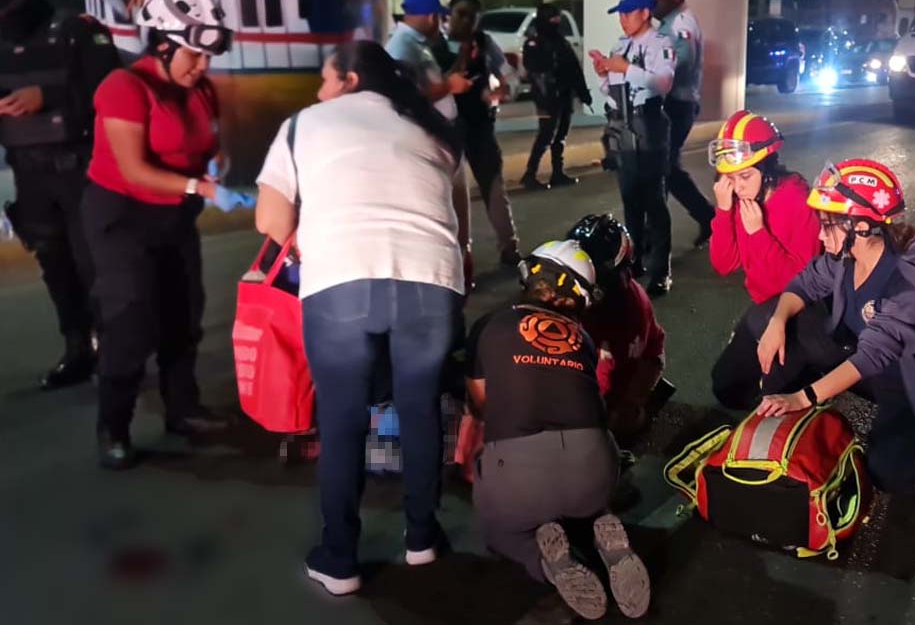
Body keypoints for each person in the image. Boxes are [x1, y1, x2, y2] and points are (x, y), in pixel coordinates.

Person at [255, 40, 466, 595]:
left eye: (326, 80)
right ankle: (421, 539)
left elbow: (270, 217)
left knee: (344, 419)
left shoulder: (305, 124)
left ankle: (340, 560)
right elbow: (458, 224)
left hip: (341, 282)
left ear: (348, 79)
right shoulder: (434, 128)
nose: (320, 92)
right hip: (430, 279)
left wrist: (316, 241)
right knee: (420, 410)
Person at [84, 0, 246, 470]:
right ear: (162, 44)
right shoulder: (124, 88)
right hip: (122, 217)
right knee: (132, 321)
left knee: (184, 313)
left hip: (174, 216)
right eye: (193, 56)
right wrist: (203, 188)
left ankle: (183, 410)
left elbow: (212, 144)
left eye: (206, 57)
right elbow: (133, 169)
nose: (202, 67)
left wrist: (217, 164)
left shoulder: (201, 89)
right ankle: (113, 426)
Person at [754, 159, 915, 493]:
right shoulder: (845, 257)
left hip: (905, 383)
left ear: (860, 227)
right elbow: (803, 285)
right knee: (773, 320)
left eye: (828, 224)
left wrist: (802, 397)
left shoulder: (907, 281)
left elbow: (873, 355)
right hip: (859, 359)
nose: (819, 233)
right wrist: (777, 322)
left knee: (888, 472)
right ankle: (785, 417)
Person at [467, 240, 651, 620]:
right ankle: (602, 526)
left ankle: (547, 563)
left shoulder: (489, 325)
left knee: (500, 532)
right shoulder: (581, 338)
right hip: (593, 466)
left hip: (519, 474)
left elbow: (482, 406)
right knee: (585, 492)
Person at [0, 0, 121, 389]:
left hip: (80, 169)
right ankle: (77, 349)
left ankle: (115, 351)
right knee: (55, 265)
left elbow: (111, 92)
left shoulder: (77, 31)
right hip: (29, 173)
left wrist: (47, 95)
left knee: (94, 263)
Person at [706, 111, 822, 409]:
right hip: (763, 307)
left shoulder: (795, 198)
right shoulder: (738, 199)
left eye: (745, 176)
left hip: (800, 310)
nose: (738, 186)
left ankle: (815, 373)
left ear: (768, 170)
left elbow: (802, 282)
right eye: (729, 178)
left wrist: (758, 233)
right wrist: (722, 211)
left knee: (775, 399)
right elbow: (724, 263)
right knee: (725, 387)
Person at [590, 0, 677, 297]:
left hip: (649, 125)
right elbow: (611, 91)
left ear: (644, 13)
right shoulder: (621, 45)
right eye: (621, 14)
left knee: (654, 201)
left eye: (628, 13)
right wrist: (603, 71)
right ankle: (634, 258)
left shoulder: (660, 43)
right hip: (622, 125)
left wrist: (625, 68)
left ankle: (660, 270)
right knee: (630, 198)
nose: (623, 20)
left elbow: (662, 82)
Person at [385, 0, 475, 274]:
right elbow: (406, 95)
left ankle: (458, 258)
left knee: (454, 200)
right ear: (431, 16)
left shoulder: (416, 42)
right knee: (442, 204)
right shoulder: (402, 46)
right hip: (426, 140)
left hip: (440, 135)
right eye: (439, 17)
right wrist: (450, 86)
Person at [435, 0, 522, 267]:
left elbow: (509, 75)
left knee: (494, 188)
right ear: (449, 15)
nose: (466, 22)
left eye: (472, 17)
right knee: (451, 194)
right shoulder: (437, 45)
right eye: (461, 14)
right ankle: (457, 254)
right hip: (447, 129)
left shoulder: (484, 43)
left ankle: (509, 247)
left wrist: (503, 91)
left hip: (480, 126)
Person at [567, 213, 669, 438]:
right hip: (619, 358)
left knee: (612, 423)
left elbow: (604, 384)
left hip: (641, 362)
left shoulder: (626, 311)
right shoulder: (611, 289)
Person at [650, 0, 715, 247]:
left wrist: (650, 75)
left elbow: (682, 60)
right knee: (666, 169)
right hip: (674, 103)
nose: (653, 3)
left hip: (678, 104)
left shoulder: (681, 23)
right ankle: (707, 218)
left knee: (662, 168)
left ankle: (654, 235)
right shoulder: (669, 22)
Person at [521, 3, 592, 190]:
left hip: (564, 95)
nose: (556, 21)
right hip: (547, 97)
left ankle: (557, 172)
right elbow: (535, 71)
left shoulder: (561, 43)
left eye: (557, 18)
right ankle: (530, 174)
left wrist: (584, 93)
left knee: (560, 135)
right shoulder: (534, 43)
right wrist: (546, 93)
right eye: (552, 18)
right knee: (546, 135)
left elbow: (574, 70)